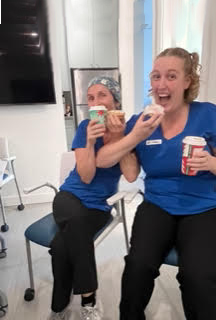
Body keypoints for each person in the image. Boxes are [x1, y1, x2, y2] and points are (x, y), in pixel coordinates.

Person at [96, 47, 216, 320]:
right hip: (158, 206)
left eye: (171, 76)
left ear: (187, 82)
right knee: (138, 267)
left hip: (203, 208)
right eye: (156, 76)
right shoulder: (142, 122)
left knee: (196, 276)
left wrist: (210, 163)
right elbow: (129, 173)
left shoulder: (207, 114)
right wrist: (127, 138)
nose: (161, 84)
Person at [48, 76, 139, 320]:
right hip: (68, 198)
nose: (96, 102)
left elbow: (131, 175)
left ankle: (58, 308)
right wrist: (89, 141)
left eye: (102, 95)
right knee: (75, 225)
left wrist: (119, 138)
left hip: (98, 207)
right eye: (90, 98)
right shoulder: (84, 128)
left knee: (60, 246)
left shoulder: (129, 129)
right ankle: (89, 300)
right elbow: (86, 177)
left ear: (115, 100)